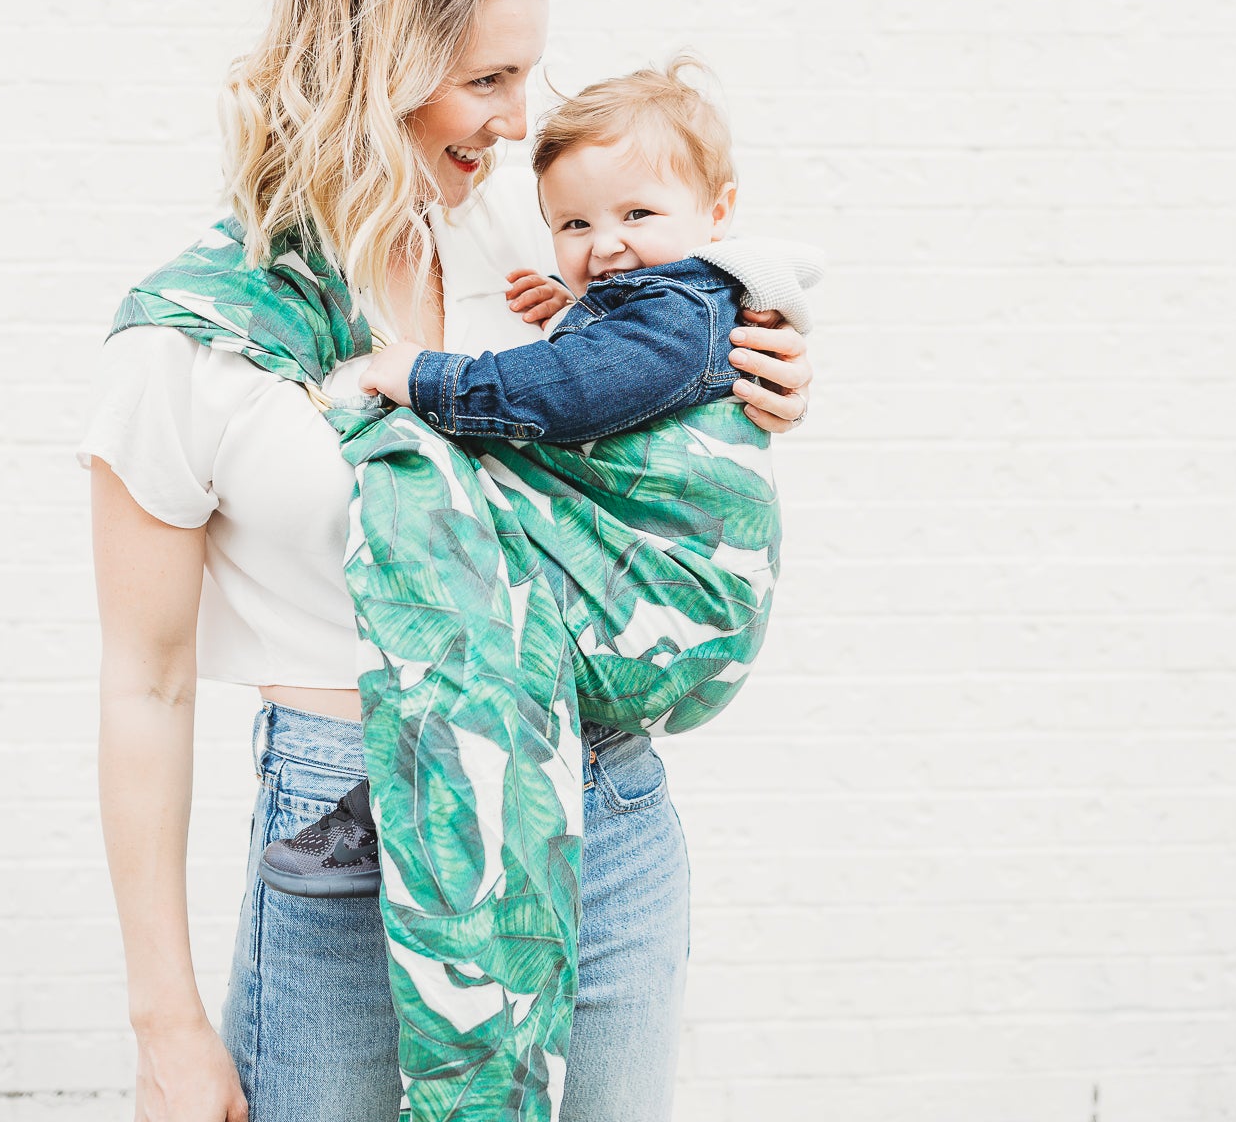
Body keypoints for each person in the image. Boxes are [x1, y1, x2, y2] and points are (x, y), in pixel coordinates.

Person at [82, 0, 813, 1122]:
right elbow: (144, 683)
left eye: (527, 76)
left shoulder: (538, 254)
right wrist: (167, 1029)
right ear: (373, 65)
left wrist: (759, 370)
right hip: (347, 842)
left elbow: (665, 396)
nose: (517, 122)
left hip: (596, 816)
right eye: (485, 80)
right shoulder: (194, 338)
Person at [260, 57, 823, 901]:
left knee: (471, 574)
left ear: (719, 213)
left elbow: (564, 395)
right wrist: (573, 310)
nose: (605, 246)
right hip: (650, 655)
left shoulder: (680, 311)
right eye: (573, 225)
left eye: (637, 214)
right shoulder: (652, 301)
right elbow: (615, 374)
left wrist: (419, 374)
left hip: (670, 617)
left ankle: (411, 802)